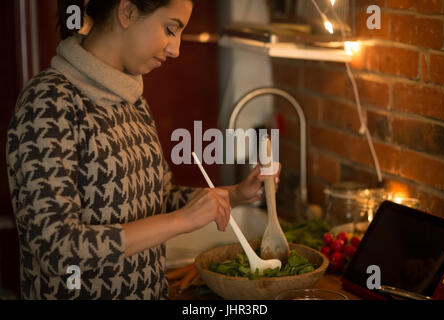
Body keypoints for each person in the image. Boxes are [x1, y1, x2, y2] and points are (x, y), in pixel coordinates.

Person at [6, 0, 281, 300]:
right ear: (127, 11)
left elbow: (158, 200)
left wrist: (237, 194)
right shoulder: (49, 101)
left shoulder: (132, 98)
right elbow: (57, 249)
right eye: (170, 29)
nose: (176, 49)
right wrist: (181, 221)